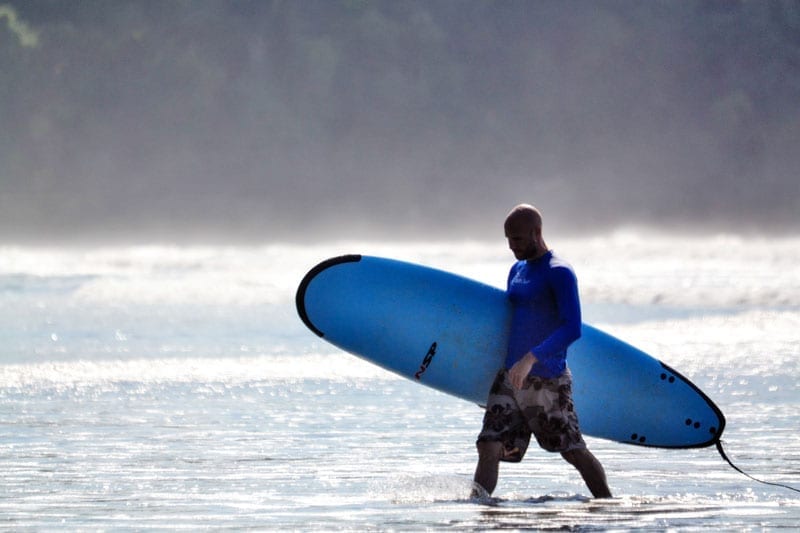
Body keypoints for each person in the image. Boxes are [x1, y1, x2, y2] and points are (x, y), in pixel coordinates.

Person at [473, 204, 612, 499]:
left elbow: (572, 327)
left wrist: (530, 358)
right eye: (508, 240)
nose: (512, 247)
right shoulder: (517, 270)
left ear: (537, 233)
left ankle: (608, 505)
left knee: (572, 450)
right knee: (489, 445)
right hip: (510, 377)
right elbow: (509, 322)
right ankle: (480, 511)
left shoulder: (559, 272)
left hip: (547, 379)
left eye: (519, 240)